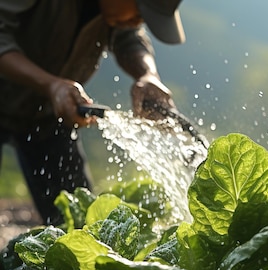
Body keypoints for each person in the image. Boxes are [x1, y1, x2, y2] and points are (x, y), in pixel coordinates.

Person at [0, 0, 186, 225]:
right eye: (140, 11)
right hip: (38, 95)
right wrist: (51, 85)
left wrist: (148, 75)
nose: (140, 21)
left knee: (79, 223)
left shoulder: (115, 12)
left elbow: (128, 38)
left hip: (47, 114)